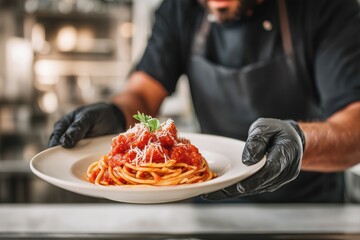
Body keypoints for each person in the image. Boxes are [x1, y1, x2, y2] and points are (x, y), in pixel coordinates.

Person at [48, 0, 360, 203]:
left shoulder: (327, 9)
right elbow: (143, 93)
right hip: (213, 202)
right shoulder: (180, 10)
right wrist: (116, 112)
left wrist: (301, 142)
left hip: (308, 211)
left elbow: (355, 125)